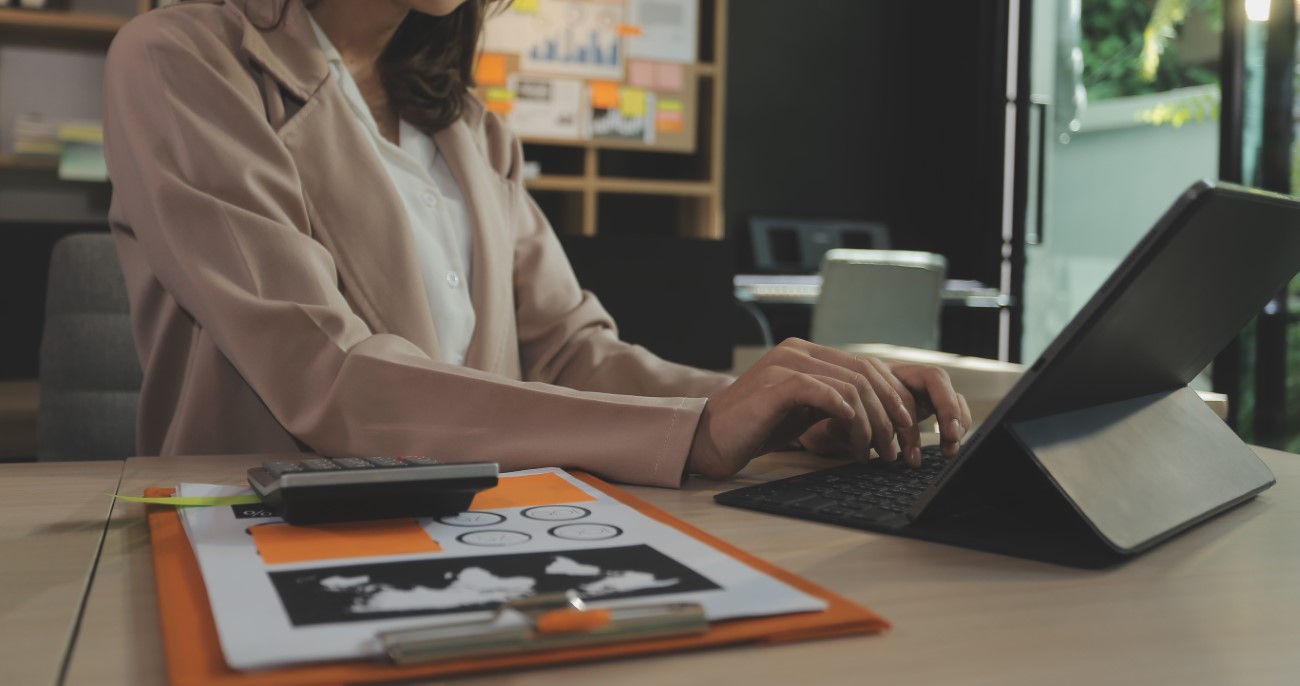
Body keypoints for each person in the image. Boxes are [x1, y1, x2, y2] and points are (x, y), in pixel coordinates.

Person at [102, 0, 971, 489]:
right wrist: (698, 431)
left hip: (478, 523)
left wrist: (777, 408)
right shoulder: (177, 59)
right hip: (261, 535)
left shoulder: (471, 129)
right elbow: (326, 372)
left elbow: (569, 355)